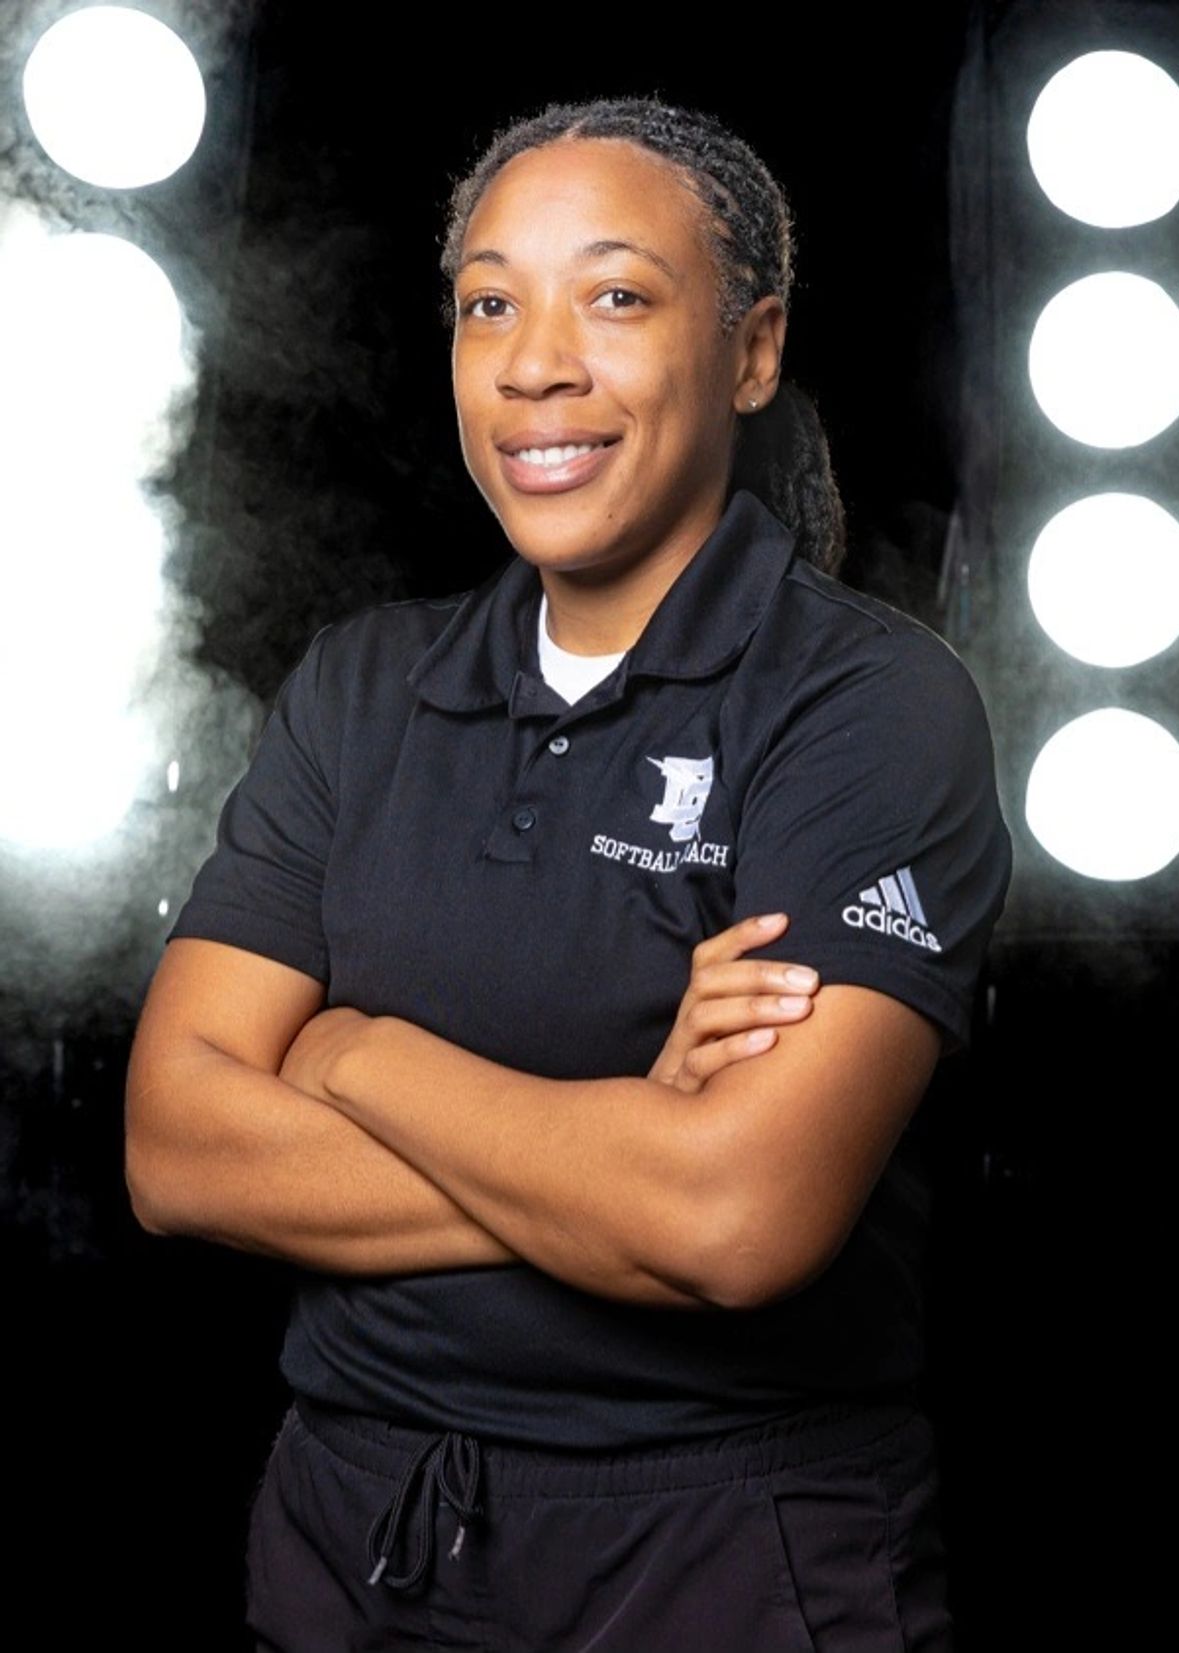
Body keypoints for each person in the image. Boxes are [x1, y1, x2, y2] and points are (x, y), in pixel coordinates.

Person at [125, 95, 1012, 1652]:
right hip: (352, 1550)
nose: (537, 362)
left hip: (718, 1565)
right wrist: (618, 1144)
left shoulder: (867, 705)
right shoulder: (360, 686)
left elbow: (735, 1217)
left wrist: (351, 1050)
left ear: (751, 350)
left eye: (616, 294)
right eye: (489, 302)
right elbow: (177, 1148)